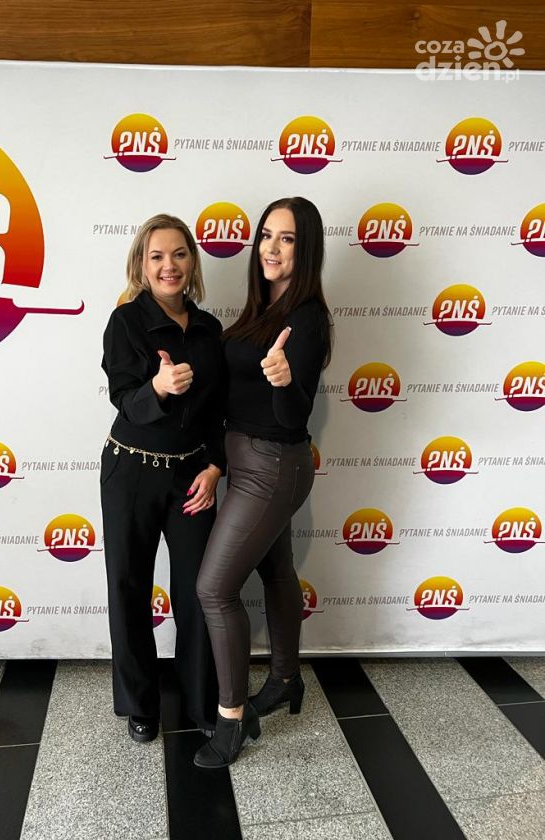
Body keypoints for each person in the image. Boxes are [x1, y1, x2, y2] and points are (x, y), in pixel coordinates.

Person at [194, 197, 332, 768]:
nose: (271, 248)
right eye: (267, 235)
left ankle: (232, 719)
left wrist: (282, 379)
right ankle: (285, 681)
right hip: (251, 463)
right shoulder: (261, 309)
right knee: (276, 571)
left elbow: (294, 415)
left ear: (307, 249)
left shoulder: (308, 318)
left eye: (288, 239)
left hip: (273, 465)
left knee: (214, 589)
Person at [100, 214, 224, 743]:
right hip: (131, 471)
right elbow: (124, 399)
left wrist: (216, 466)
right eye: (156, 256)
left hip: (192, 476)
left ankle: (202, 701)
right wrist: (158, 387)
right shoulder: (125, 321)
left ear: (192, 261)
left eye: (178, 254)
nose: (168, 265)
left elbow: (220, 409)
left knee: (199, 591)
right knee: (129, 586)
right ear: (141, 265)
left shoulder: (210, 328)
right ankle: (140, 704)